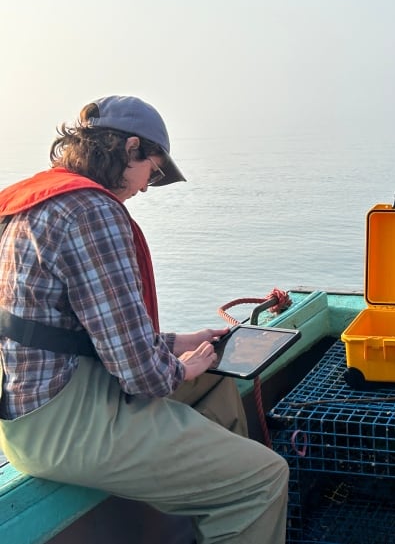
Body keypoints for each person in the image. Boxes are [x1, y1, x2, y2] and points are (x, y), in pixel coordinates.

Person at [0, 96, 288, 543]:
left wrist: (179, 342)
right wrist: (181, 367)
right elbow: (142, 378)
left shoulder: (37, 202)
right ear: (131, 147)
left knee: (219, 384)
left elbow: (75, 330)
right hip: (66, 424)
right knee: (264, 479)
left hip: (27, 413)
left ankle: (211, 502)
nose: (146, 188)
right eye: (152, 172)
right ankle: (235, 501)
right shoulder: (92, 213)